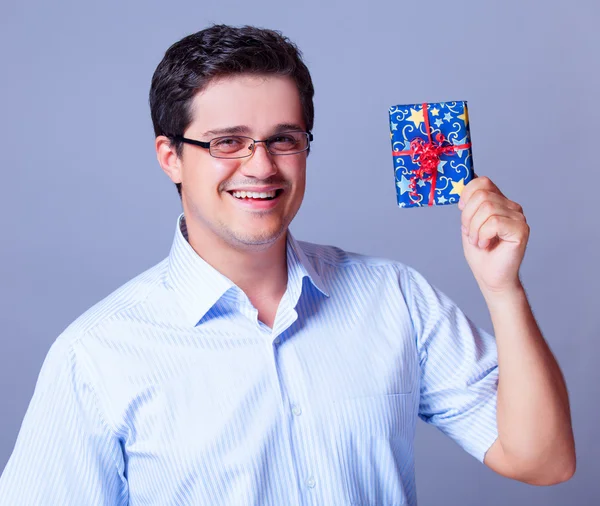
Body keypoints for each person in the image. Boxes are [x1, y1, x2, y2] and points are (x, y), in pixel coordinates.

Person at [0, 24, 575, 506]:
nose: (262, 166)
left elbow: (543, 460)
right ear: (171, 156)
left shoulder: (395, 297)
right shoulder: (96, 356)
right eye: (227, 141)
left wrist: (503, 290)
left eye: (284, 139)